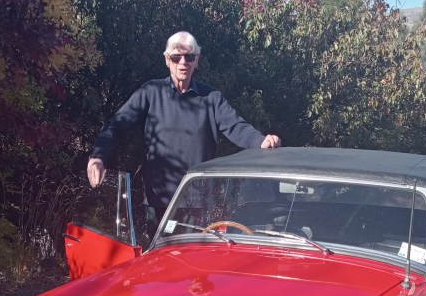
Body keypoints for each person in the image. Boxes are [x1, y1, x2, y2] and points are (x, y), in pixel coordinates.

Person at [87, 31, 281, 235]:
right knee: (162, 256)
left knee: (195, 256)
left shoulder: (211, 98)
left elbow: (236, 127)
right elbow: (117, 125)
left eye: (189, 57)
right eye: (176, 57)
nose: (183, 62)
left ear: (196, 60)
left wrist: (260, 141)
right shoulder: (151, 92)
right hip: (159, 201)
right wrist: (98, 156)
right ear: (166, 60)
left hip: (199, 204)